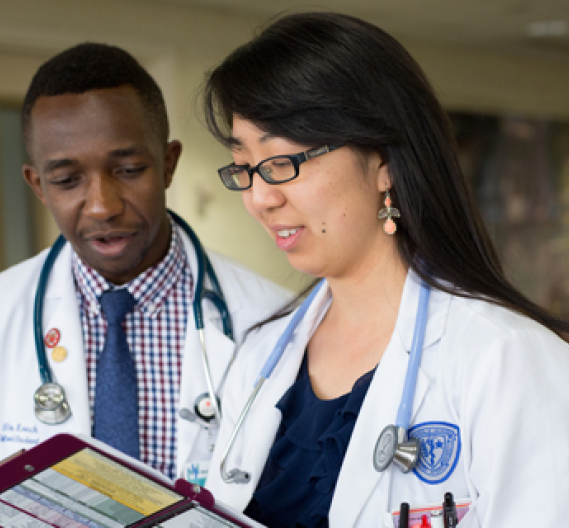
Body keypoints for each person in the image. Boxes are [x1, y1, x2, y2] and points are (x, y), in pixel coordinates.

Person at [200, 12, 569, 528]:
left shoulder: (506, 359)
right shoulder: (262, 356)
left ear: (383, 164)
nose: (261, 197)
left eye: (283, 161)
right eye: (244, 168)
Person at [0, 42, 290, 507]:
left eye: (129, 169)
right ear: (36, 184)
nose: (102, 205)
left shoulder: (272, 320)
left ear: (168, 163)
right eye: (67, 180)